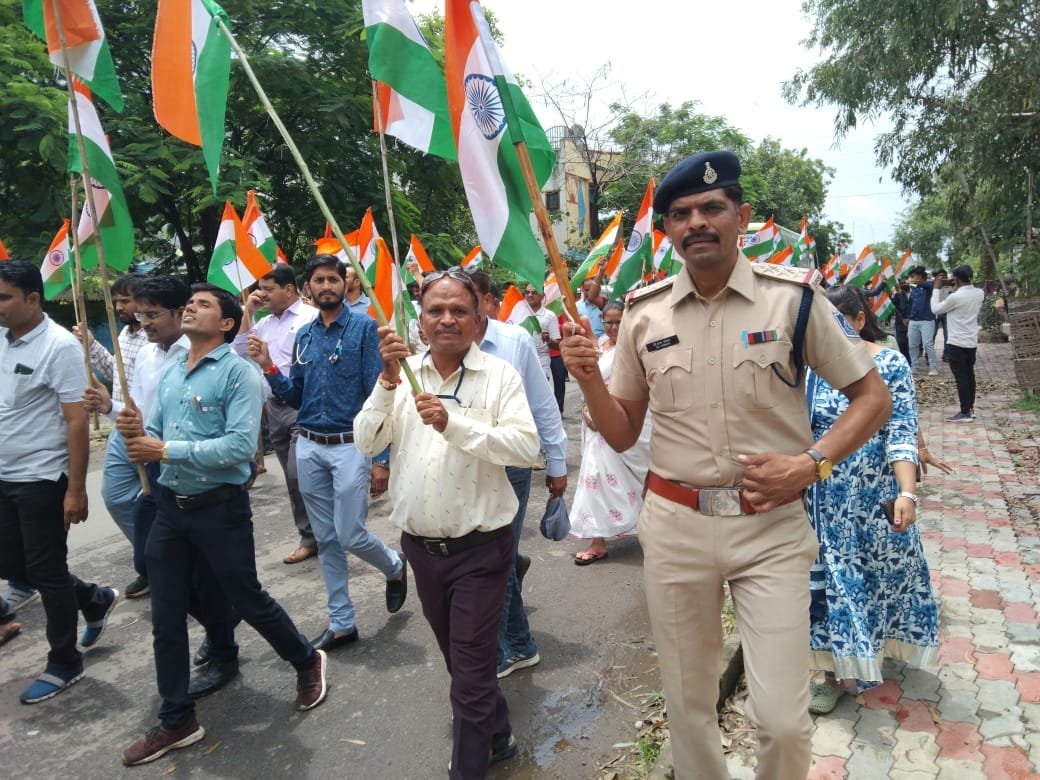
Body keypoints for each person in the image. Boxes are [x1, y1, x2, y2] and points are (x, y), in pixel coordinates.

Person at [560, 151, 891, 780]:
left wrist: (811, 465)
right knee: (688, 708)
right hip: (677, 528)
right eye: (681, 213)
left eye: (712, 208)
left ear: (739, 217)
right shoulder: (642, 312)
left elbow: (872, 398)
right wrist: (588, 382)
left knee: (784, 720)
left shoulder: (792, 302)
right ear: (668, 231)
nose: (697, 222)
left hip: (770, 529)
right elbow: (623, 432)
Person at [118, 283, 327, 766]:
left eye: (203, 304)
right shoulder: (172, 371)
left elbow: (238, 448)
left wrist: (163, 450)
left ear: (228, 323)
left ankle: (305, 658)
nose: (189, 307)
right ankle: (177, 719)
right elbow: (157, 433)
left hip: (220, 508)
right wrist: (139, 433)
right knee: (165, 617)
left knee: (246, 597)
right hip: (171, 507)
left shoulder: (239, 374)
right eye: (189, 303)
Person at [355, 269, 541, 778]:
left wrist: (452, 423)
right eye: (436, 310)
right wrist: (386, 381)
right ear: (420, 320)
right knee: (463, 664)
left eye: (459, 310)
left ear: (478, 318)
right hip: (421, 549)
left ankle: (469, 767)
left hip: (482, 549)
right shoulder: (401, 376)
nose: (447, 320)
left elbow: (526, 447)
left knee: (472, 672)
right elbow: (367, 442)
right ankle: (497, 734)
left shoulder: (499, 376)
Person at [247, 255, 406, 652]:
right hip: (309, 445)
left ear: (343, 284)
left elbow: (381, 396)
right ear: (308, 289)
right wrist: (269, 367)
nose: (326, 286)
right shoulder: (304, 336)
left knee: (350, 533)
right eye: (318, 280)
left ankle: (394, 565)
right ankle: (342, 622)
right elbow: (295, 395)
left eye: (333, 279)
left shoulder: (366, 329)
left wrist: (381, 459)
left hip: (351, 446)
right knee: (326, 538)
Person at [804, 286, 939, 715]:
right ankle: (829, 674)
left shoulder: (889, 363)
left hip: (872, 499)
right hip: (821, 504)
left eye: (838, 322)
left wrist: (906, 492)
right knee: (826, 588)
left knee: (875, 582)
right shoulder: (807, 368)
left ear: (860, 319)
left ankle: (865, 654)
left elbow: (900, 431)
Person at [0, 260, 119, 704]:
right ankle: (91, 597)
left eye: (4, 297)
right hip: (4, 474)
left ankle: (64, 661)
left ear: (32, 299)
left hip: (41, 477)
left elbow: (76, 420)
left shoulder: (58, 347)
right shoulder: (2, 339)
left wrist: (75, 488)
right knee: (16, 566)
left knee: (45, 571)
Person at [469, 269, 568, 679]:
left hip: (509, 463)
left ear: (486, 301)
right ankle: (509, 641)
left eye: (465, 300)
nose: (453, 313)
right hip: (465, 465)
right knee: (480, 555)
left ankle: (512, 647)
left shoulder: (513, 341)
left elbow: (543, 404)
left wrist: (557, 464)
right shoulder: (438, 345)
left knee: (496, 555)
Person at [84, 276, 192, 600]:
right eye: (141, 315)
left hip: (187, 463)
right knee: (151, 557)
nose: (143, 323)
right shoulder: (147, 354)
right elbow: (140, 412)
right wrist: (110, 407)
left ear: (179, 312)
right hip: (152, 460)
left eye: (152, 315)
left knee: (203, 554)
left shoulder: (199, 353)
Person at [233, 265, 318, 563]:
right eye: (261, 288)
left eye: (269, 289)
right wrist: (248, 313)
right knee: (291, 476)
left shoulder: (310, 317)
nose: (262, 294)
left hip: (304, 405)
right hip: (273, 408)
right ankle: (312, 534)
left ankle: (321, 533)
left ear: (290, 289)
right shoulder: (264, 324)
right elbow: (240, 351)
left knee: (298, 475)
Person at [74, 273, 149, 595]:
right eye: (116, 301)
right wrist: (91, 345)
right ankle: (150, 559)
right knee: (116, 497)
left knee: (158, 501)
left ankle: (164, 563)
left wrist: (110, 406)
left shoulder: (156, 339)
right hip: (120, 427)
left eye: (125, 301)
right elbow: (113, 369)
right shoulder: (128, 335)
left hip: (146, 429)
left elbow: (150, 400)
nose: (119, 306)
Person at [570, 300, 651, 565]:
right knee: (595, 476)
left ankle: (649, 529)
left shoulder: (634, 348)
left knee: (641, 481)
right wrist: (589, 409)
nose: (614, 327)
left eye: (619, 321)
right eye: (609, 322)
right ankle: (597, 539)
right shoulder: (600, 346)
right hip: (595, 426)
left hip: (626, 420)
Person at [931, 264, 985, 421]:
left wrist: (936, 288)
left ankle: (964, 412)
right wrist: (956, 286)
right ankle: (970, 408)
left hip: (956, 342)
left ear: (955, 279)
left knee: (961, 377)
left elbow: (935, 309)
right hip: (971, 342)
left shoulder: (955, 297)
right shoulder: (979, 293)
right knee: (969, 375)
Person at [522, 283, 561, 384]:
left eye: (534, 292)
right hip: (522, 363)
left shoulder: (550, 316)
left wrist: (548, 340)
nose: (530, 295)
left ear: (542, 295)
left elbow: (558, 346)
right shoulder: (519, 314)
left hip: (541, 363)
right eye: (527, 292)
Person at [906, 266, 938, 375]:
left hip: (927, 320)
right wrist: (908, 317)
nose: (911, 279)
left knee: (928, 344)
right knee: (912, 344)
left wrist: (919, 282)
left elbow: (928, 285)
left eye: (913, 276)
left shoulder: (929, 286)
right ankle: (914, 366)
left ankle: (933, 367)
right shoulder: (914, 288)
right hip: (913, 320)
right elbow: (911, 303)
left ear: (920, 277)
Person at [932, 269, 950, 360]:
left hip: (947, 314)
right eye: (940, 276)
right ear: (936, 277)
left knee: (947, 335)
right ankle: (929, 356)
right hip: (934, 315)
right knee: (932, 335)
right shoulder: (933, 287)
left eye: (944, 276)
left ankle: (946, 355)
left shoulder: (951, 287)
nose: (942, 278)